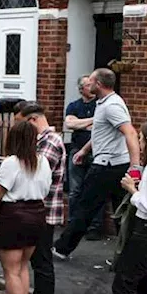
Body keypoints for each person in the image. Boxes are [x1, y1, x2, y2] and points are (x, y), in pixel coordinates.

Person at [56, 67, 141, 260]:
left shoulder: (112, 106)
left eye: (91, 81)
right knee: (122, 213)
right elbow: (103, 134)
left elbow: (131, 133)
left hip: (107, 166)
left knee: (85, 208)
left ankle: (62, 249)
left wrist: (135, 167)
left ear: (99, 84)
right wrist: (84, 151)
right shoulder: (105, 103)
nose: (88, 84)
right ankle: (126, 258)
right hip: (112, 164)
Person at [0, 120, 52, 294]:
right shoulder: (43, 161)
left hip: (13, 216)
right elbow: (46, 189)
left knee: (11, 271)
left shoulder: (11, 163)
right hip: (37, 214)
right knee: (24, 266)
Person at [12, 101, 66, 294]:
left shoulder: (51, 143)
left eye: (21, 124)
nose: (20, 131)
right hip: (36, 211)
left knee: (42, 263)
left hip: (44, 211)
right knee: (35, 261)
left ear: (32, 120)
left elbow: (33, 172)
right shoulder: (41, 141)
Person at [113, 168, 147, 294]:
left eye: (142, 141)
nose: (139, 146)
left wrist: (132, 190)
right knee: (142, 286)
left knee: (123, 286)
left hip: (145, 232)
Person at [64, 75, 98, 212]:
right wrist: (93, 120)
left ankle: (94, 228)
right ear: (81, 89)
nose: (92, 87)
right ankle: (73, 222)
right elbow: (69, 124)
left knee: (94, 190)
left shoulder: (100, 104)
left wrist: (80, 123)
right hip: (76, 150)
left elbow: (100, 127)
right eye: (88, 85)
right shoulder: (74, 106)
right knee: (74, 191)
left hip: (96, 152)